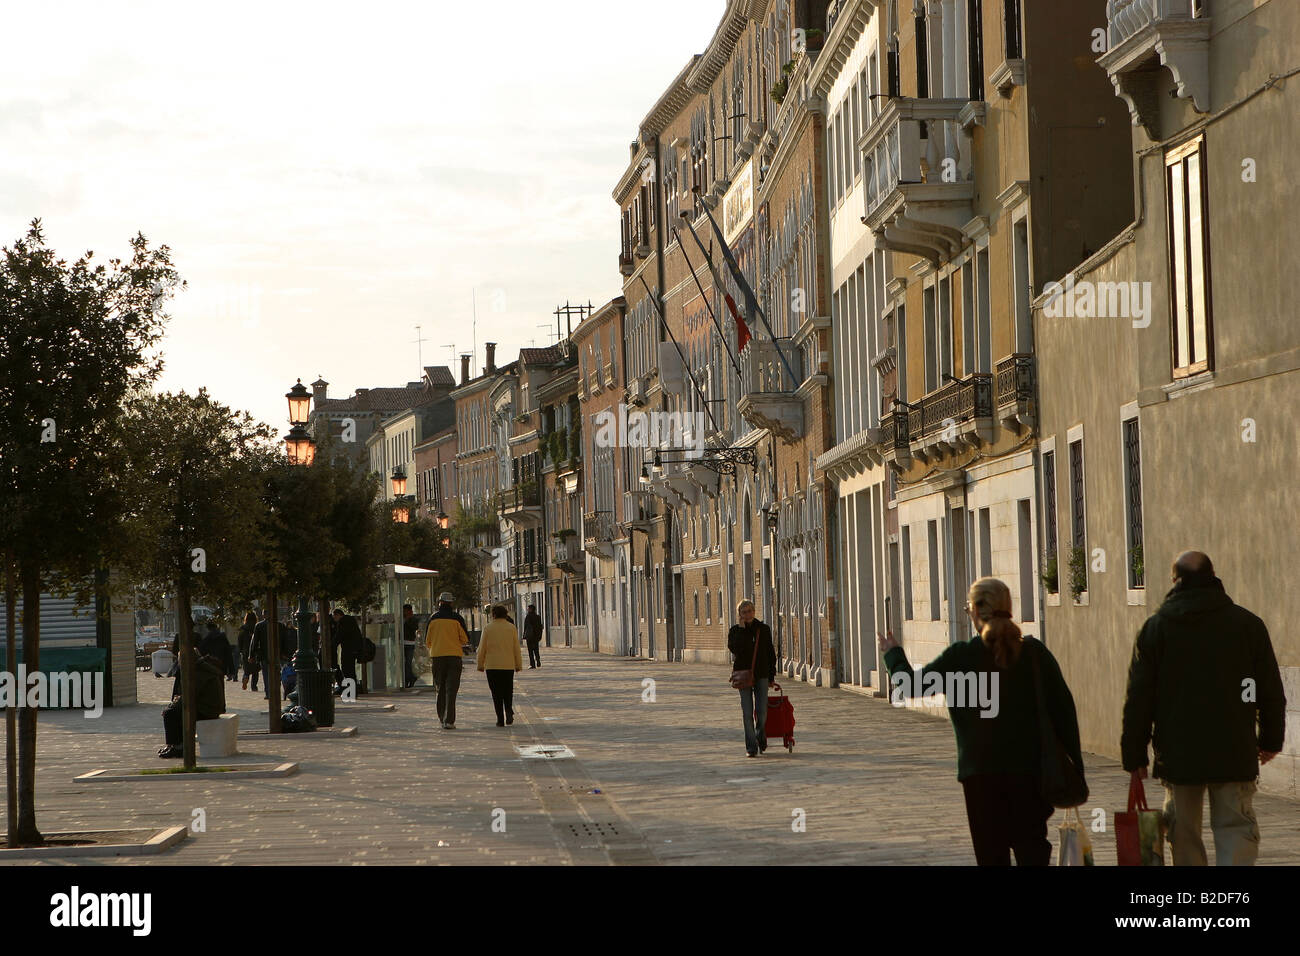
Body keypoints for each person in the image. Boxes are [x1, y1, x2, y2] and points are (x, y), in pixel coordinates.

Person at [878, 577, 1084, 866]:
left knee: (991, 856)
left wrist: (893, 654)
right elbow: (1065, 713)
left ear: (974, 611)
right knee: (1032, 851)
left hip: (980, 776)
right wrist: (1076, 768)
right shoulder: (1035, 655)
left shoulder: (962, 657)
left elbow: (909, 686)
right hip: (1031, 772)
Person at [1121, 551, 1286, 866]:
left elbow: (1139, 696)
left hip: (1178, 750)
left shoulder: (1156, 629)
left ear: (1175, 581)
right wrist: (1270, 739)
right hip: (1234, 746)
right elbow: (1269, 689)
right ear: (1213, 576)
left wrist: (1134, 754)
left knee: (1182, 829)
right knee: (1236, 825)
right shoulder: (1247, 625)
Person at [159, 632, 227, 758]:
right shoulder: (201, 667)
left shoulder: (196, 672)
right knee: (175, 712)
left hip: (207, 709)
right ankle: (174, 745)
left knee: (171, 714)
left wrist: (171, 707)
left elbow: (189, 696)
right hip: (210, 706)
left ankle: (178, 746)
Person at [726, 600, 776, 758]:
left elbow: (770, 654)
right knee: (747, 712)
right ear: (739, 615)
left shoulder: (763, 629)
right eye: (744, 612)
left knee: (762, 711)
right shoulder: (735, 631)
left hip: (761, 674)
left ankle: (760, 736)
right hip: (743, 675)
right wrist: (741, 630)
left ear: (754, 611)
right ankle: (751, 747)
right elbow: (736, 649)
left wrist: (771, 676)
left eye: (749, 611)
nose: (747, 615)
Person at [426, 591, 470, 729]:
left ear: (440, 602)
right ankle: (449, 720)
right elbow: (465, 639)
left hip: (437, 656)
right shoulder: (457, 619)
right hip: (454, 657)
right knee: (451, 689)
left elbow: (428, 641)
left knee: (440, 687)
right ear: (451, 603)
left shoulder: (433, 619)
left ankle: (441, 716)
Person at [477, 604, 523, 726]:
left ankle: (500, 719)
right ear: (505, 614)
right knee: (508, 690)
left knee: (496, 693)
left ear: (493, 615)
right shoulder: (511, 628)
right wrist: (518, 664)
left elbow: (482, 648)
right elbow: (516, 648)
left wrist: (480, 664)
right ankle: (508, 709)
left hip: (492, 666)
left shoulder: (488, 628)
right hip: (508, 666)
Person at [250, 610, 297, 701]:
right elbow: (285, 641)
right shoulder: (280, 625)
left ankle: (268, 693)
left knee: (266, 674)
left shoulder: (259, 625)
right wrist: (285, 653)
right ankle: (275, 690)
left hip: (263, 655)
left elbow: (255, 642)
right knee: (277, 673)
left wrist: (251, 655)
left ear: (264, 615)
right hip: (277, 654)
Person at [331, 608, 364, 695]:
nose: (335, 620)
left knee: (347, 669)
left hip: (348, 649)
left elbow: (340, 635)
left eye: (335, 617)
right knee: (351, 670)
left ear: (338, 615)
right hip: (353, 649)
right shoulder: (351, 621)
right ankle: (352, 690)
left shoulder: (343, 622)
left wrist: (333, 644)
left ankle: (351, 691)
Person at [237, 611, 256, 690]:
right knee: (255, 670)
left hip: (245, 651)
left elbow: (239, 640)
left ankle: (245, 677)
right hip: (255, 651)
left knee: (246, 668)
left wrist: (240, 650)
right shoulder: (256, 627)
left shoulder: (243, 628)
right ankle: (254, 686)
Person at [402, 604, 420, 688]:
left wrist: (408, 619)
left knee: (408, 663)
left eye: (405, 610)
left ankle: (409, 679)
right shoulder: (401, 618)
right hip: (401, 643)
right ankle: (409, 678)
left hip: (410, 643)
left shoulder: (413, 619)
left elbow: (415, 628)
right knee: (403, 663)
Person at [522, 604, 543, 668]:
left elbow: (526, 627)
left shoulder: (528, 617)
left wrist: (524, 635)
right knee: (536, 649)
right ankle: (538, 660)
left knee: (530, 651)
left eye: (528, 609)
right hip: (536, 636)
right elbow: (540, 627)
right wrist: (540, 635)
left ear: (531, 609)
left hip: (530, 636)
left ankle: (532, 664)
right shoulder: (538, 617)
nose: (527, 610)